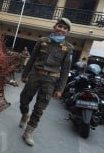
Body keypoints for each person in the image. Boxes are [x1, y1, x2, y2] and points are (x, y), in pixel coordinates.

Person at [19, 18, 73, 146]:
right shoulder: (42, 41)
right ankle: (25, 114)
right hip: (35, 75)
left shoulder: (68, 48)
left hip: (50, 80)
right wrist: (25, 74)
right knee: (24, 100)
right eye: (60, 26)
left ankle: (29, 132)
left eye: (65, 28)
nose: (61, 29)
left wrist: (60, 88)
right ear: (54, 27)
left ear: (67, 32)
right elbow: (31, 59)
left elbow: (65, 70)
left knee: (40, 107)